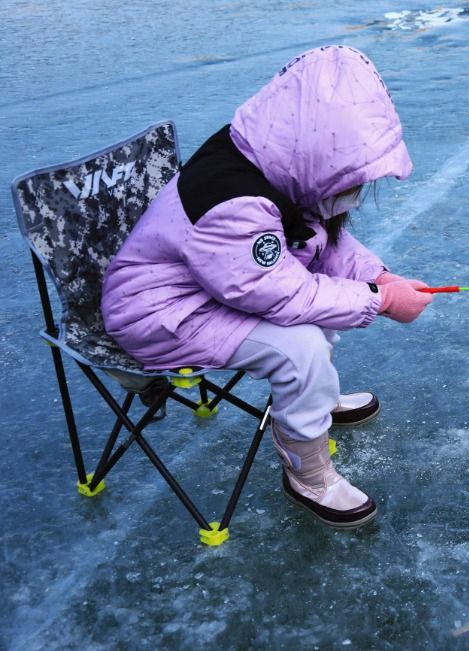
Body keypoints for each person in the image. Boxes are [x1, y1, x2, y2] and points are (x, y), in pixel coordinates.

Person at [101, 45, 433, 529]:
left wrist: (377, 276)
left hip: (215, 286)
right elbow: (283, 295)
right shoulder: (230, 203)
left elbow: (319, 240)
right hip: (159, 314)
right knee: (297, 346)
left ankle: (313, 399)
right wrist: (379, 302)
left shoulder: (282, 162)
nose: (357, 193)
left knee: (315, 316)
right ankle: (308, 474)